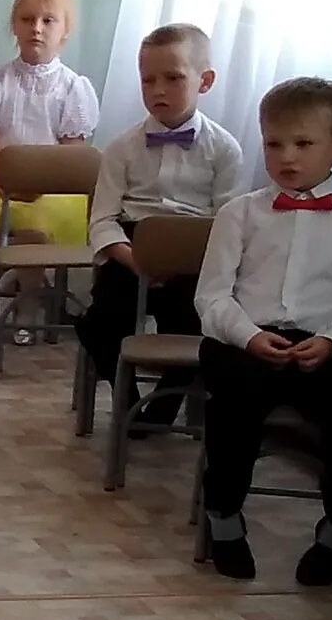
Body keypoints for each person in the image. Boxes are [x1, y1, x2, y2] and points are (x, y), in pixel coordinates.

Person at [191, 77, 332, 588]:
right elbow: (211, 298)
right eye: (274, 143)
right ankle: (224, 519)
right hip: (243, 341)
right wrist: (249, 336)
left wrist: (331, 340)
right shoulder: (239, 213)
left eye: (303, 144)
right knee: (236, 397)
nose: (287, 157)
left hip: (320, 346)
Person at [73, 24, 244, 416]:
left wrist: (192, 260)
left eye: (173, 78)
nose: (158, 90)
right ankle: (126, 397)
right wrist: (136, 260)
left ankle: (164, 406)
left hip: (193, 256)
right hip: (132, 250)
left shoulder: (224, 149)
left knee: (199, 328)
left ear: (206, 81)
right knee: (99, 322)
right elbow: (102, 219)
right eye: (148, 80)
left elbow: (230, 220)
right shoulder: (121, 147)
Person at [0, 0, 100, 250]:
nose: (36, 29)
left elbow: (71, 159)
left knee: (37, 228)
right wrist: (5, 183)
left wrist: (35, 186)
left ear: (65, 29)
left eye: (48, 21)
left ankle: (30, 289)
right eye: (27, 20)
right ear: (14, 26)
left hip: (51, 189)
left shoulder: (72, 87)